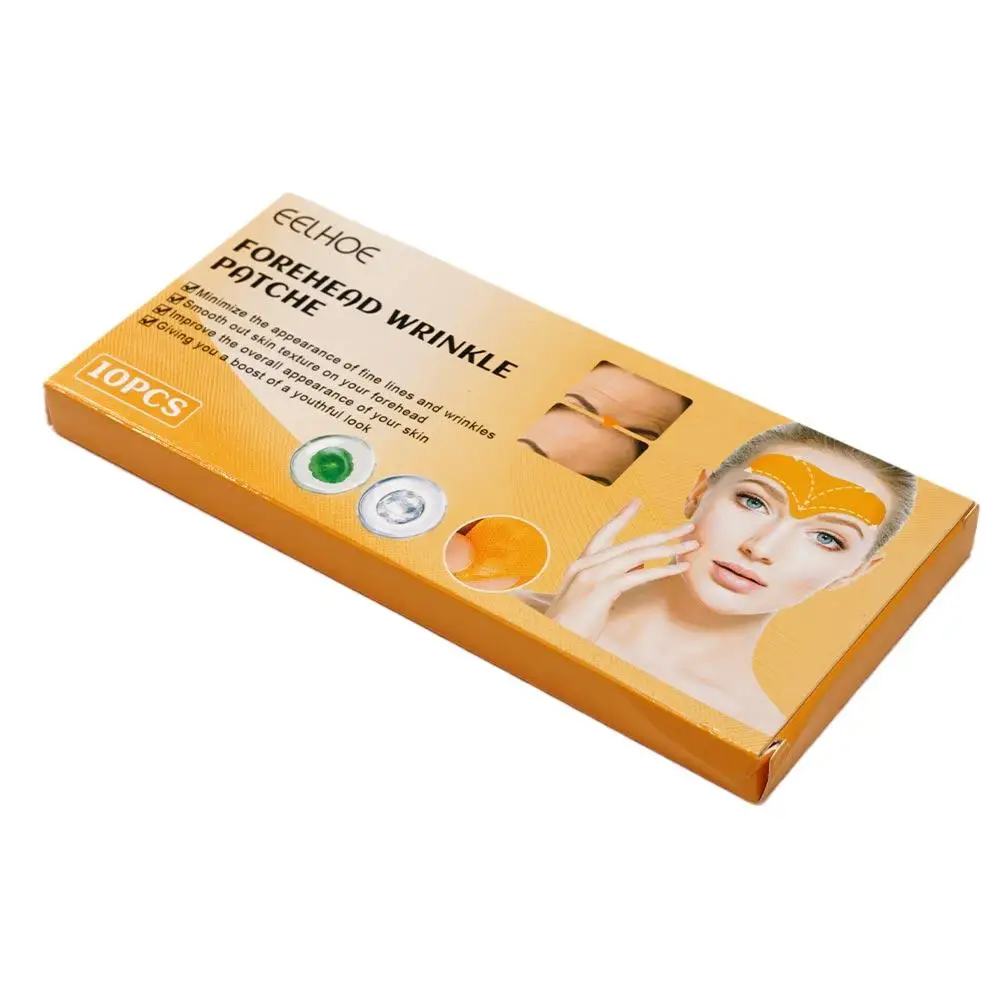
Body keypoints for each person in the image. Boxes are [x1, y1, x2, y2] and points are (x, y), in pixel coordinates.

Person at [516, 423, 918, 732]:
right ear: (698, 494)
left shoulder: (758, 734)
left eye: (827, 538)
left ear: (855, 572)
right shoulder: (503, 606)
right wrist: (555, 642)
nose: (761, 547)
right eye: (753, 501)